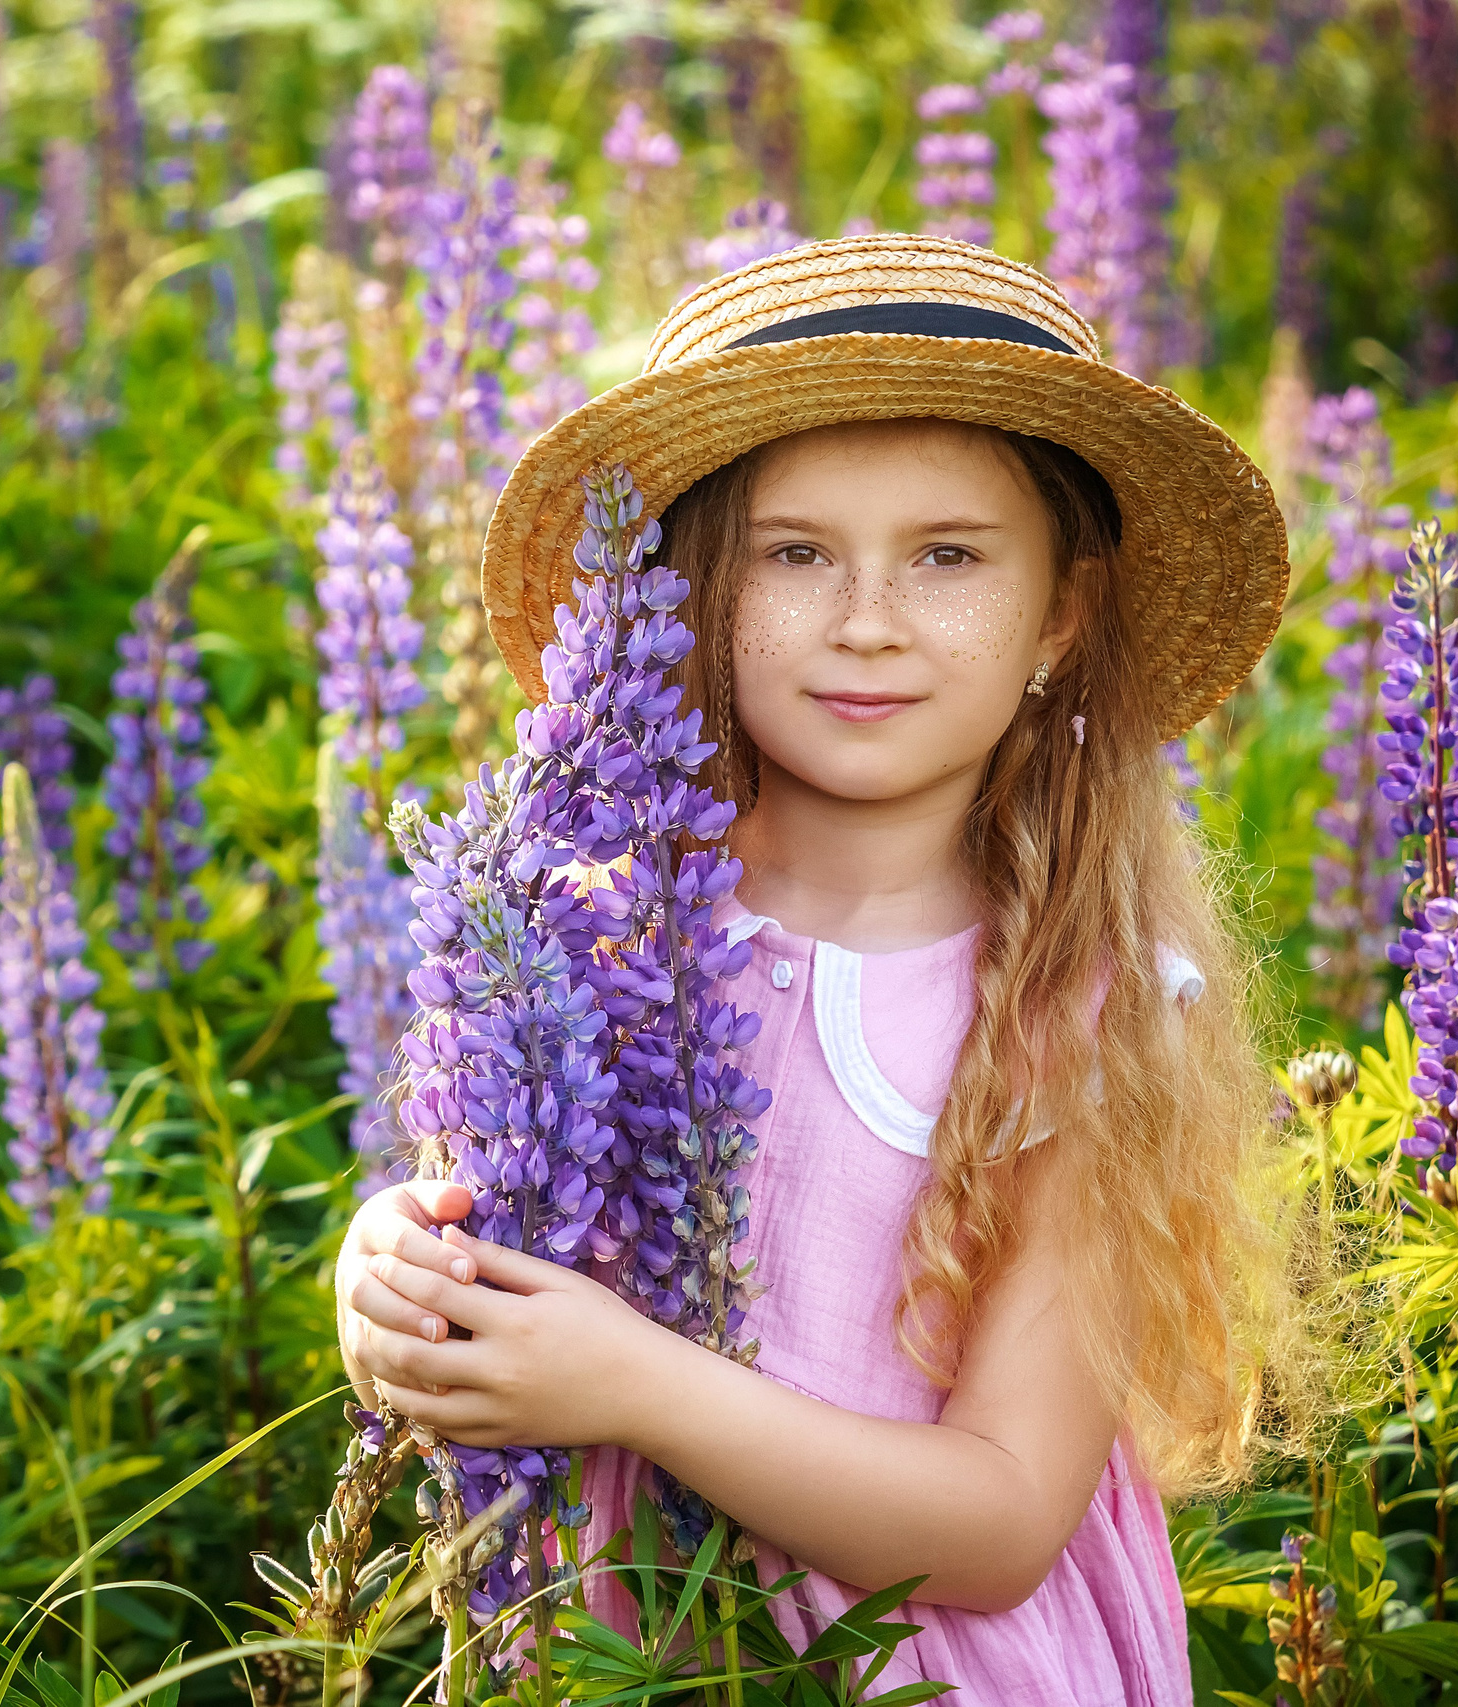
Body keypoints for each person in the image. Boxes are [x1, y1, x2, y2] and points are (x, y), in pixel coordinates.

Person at [333, 233, 1321, 1702]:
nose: (868, 618)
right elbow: (471, 1260)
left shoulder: (1084, 1012)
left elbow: (997, 1523)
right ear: (692, 597)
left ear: (1063, 612)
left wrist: (632, 1384)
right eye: (796, 554)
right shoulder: (577, 929)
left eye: (948, 555)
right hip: (629, 1661)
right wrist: (388, 1281)